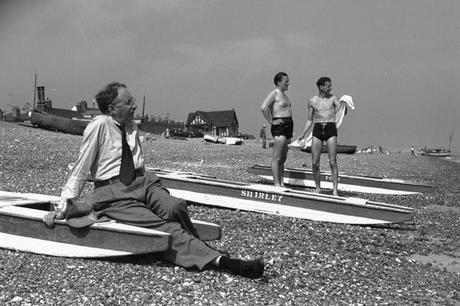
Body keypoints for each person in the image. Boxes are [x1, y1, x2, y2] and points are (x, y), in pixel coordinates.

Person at [43, 82, 264, 279]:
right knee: (164, 227)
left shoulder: (131, 125)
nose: (134, 106)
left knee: (176, 207)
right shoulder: (99, 125)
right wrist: (63, 206)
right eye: (129, 102)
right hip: (114, 194)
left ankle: (195, 244)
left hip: (144, 182)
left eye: (133, 101)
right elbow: (81, 167)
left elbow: (136, 161)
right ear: (112, 108)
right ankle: (224, 262)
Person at [298, 77, 340, 196]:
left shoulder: (333, 98)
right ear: (321, 87)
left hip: (330, 127)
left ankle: (335, 190)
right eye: (328, 86)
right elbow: (309, 120)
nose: (331, 87)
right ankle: (318, 188)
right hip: (317, 129)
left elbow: (341, 110)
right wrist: (303, 133)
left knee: (332, 161)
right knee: (315, 162)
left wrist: (345, 106)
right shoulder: (312, 101)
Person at [261, 72, 293, 187]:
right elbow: (264, 107)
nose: (288, 83)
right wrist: (271, 121)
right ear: (279, 82)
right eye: (286, 81)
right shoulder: (275, 93)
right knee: (277, 156)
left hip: (289, 125)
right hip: (279, 125)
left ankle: (282, 181)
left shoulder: (285, 95)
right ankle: (276, 183)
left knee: (283, 157)